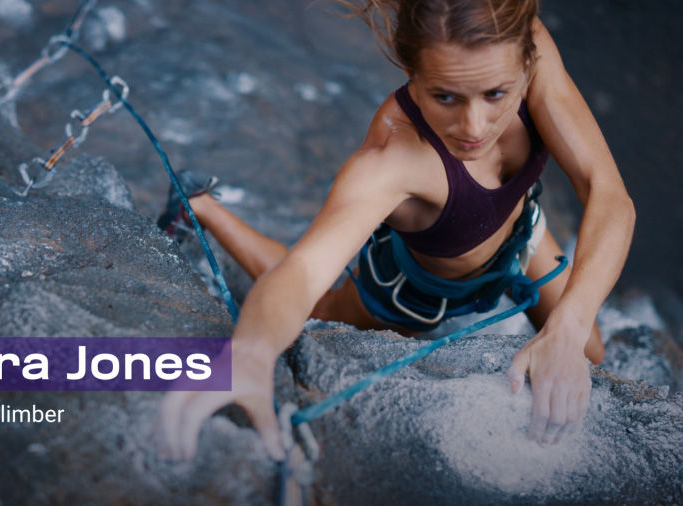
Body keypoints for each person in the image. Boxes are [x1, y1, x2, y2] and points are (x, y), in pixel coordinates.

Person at [157, 0, 635, 461]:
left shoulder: (520, 44)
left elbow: (608, 193)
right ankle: (201, 206)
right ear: (412, 73)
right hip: (415, 292)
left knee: (587, 353)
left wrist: (567, 327)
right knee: (320, 310)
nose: (474, 126)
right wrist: (252, 353)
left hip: (521, 234)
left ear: (527, 62)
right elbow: (303, 273)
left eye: (495, 94)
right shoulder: (391, 159)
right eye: (445, 97)